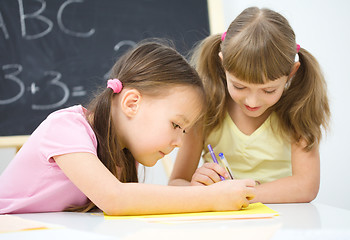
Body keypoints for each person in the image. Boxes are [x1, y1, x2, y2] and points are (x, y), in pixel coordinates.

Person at [0, 40, 256, 214]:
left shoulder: (123, 157)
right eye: (176, 125)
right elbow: (115, 199)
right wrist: (209, 199)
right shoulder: (65, 128)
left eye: (184, 131)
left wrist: (193, 191)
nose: (179, 142)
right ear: (131, 103)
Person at [169, 7, 330, 203]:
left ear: (291, 73)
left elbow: (306, 186)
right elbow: (176, 182)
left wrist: (240, 194)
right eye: (239, 86)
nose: (252, 102)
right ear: (223, 63)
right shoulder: (207, 108)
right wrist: (201, 191)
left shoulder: (297, 109)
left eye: (268, 90)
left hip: (282, 224)